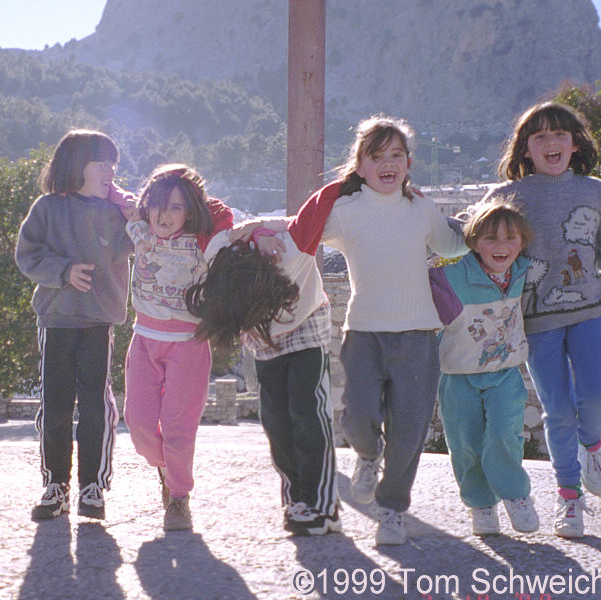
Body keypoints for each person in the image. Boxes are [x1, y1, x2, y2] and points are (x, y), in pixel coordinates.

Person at [289, 115, 467, 545]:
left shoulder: (421, 208)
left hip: (419, 336)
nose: (388, 163)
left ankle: (391, 510)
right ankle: (367, 456)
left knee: (409, 431)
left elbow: (453, 244)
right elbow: (303, 234)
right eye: (377, 155)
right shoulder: (345, 212)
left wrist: (481, 223)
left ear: (408, 162)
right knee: (356, 418)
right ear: (361, 165)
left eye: (396, 155)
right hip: (363, 333)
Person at [482, 101, 601, 538]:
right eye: (539, 136)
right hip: (536, 321)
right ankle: (569, 498)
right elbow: (472, 237)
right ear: (524, 151)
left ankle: (591, 444)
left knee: (597, 393)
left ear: (575, 143)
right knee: (556, 409)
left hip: (588, 312)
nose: (551, 142)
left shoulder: (595, 191)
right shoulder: (507, 197)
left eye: (559, 133)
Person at [186, 219, 341, 536]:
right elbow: (222, 225)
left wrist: (259, 230)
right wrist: (253, 234)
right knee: (276, 420)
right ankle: (297, 499)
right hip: (264, 339)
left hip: (305, 327)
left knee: (308, 412)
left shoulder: (284, 238)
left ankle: (323, 508)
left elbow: (303, 218)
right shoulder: (224, 248)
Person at [15, 129, 134, 521]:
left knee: (97, 407)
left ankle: (93, 488)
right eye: (103, 163)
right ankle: (56, 486)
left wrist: (138, 219)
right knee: (56, 406)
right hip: (57, 320)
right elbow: (28, 254)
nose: (110, 171)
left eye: (113, 165)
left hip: (98, 322)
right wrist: (63, 271)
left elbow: (134, 242)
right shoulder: (47, 208)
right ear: (76, 164)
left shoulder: (112, 212)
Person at [123, 164, 233, 531]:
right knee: (138, 425)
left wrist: (192, 193)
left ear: (190, 211)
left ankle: (179, 499)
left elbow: (224, 215)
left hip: (188, 346)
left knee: (177, 428)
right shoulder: (139, 231)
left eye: (175, 207)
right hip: (144, 342)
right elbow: (116, 196)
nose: (164, 215)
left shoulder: (200, 239)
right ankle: (169, 469)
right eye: (158, 205)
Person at [429, 202, 539, 535]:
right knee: (464, 444)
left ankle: (517, 496)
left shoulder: (523, 273)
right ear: (474, 241)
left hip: (505, 374)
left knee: (504, 436)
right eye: (490, 238)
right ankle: (481, 505)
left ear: (522, 242)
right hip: (457, 377)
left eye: (511, 238)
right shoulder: (449, 279)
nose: (501, 246)